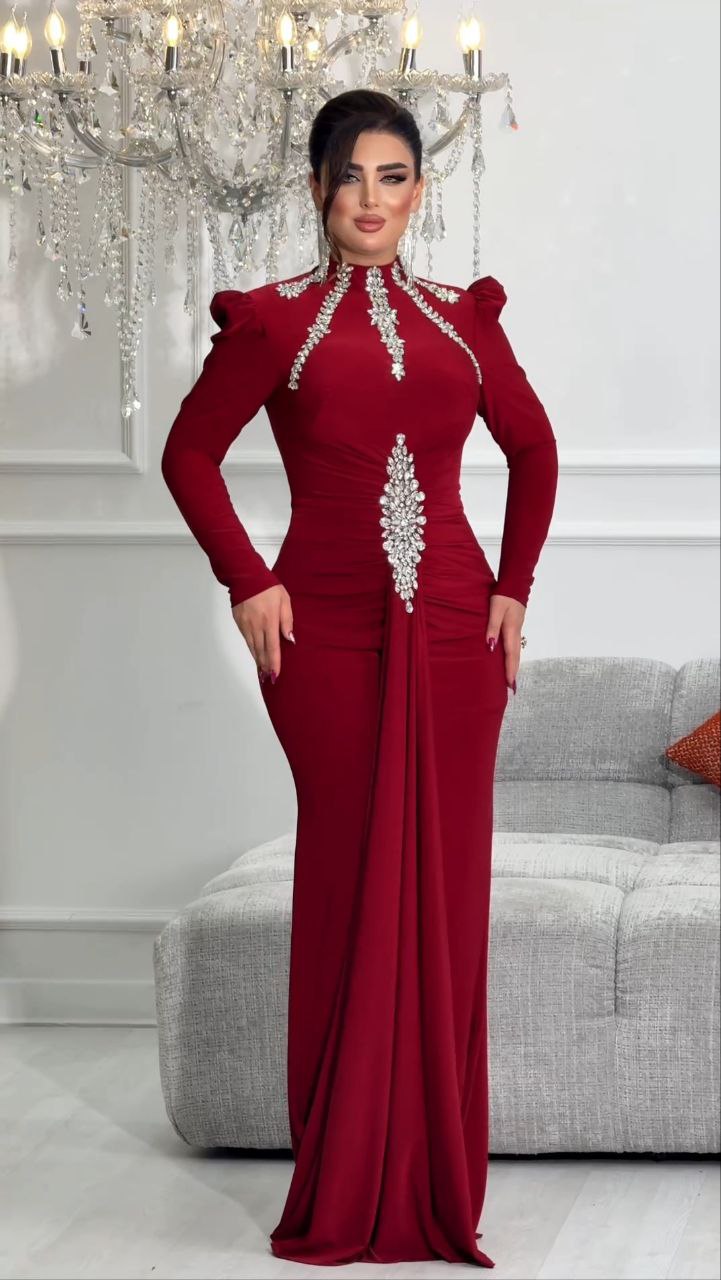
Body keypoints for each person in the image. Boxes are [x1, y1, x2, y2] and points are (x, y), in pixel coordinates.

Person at [161, 88, 559, 1269]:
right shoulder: (274, 320)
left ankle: (437, 1178)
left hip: (456, 636)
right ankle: (342, 1170)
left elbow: (533, 445)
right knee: (344, 877)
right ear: (317, 189)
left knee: (447, 886)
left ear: (419, 192)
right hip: (323, 636)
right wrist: (247, 578)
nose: (370, 199)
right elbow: (188, 452)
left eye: (392, 177)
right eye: (350, 177)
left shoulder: (463, 321)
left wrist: (513, 585)